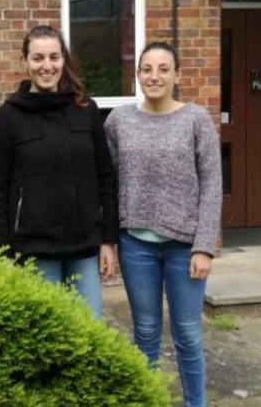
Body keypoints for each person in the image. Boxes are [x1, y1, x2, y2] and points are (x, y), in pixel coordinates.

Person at [104, 41, 221, 407]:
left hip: (184, 246)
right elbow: (107, 183)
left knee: (187, 334)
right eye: (147, 69)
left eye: (163, 69)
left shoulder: (196, 119)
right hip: (135, 244)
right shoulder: (118, 121)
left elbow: (213, 183)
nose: (154, 76)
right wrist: (107, 239)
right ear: (137, 74)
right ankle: (147, 400)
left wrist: (205, 246)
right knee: (146, 333)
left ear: (177, 75)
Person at [0, 25, 118, 318]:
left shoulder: (86, 110)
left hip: (84, 248)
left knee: (90, 334)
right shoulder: (6, 118)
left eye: (54, 57)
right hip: (35, 250)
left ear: (64, 60)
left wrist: (108, 240)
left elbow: (106, 178)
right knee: (48, 338)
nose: (47, 66)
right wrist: (1, 253)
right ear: (25, 62)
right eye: (38, 58)